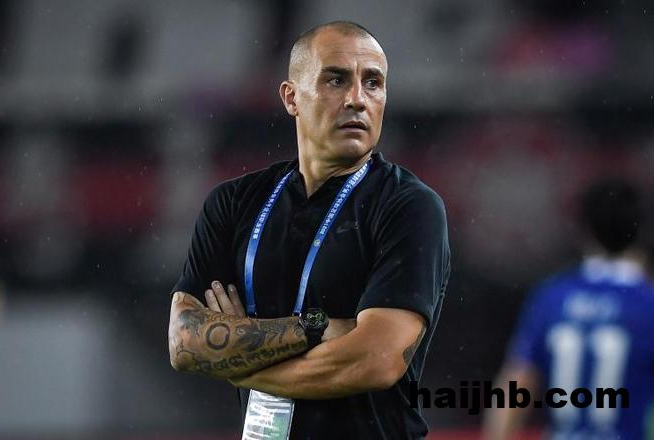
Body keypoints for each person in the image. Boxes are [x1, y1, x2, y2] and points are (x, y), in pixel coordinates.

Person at [168, 21, 451, 439]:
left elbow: (376, 360)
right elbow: (185, 343)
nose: (357, 99)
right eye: (336, 80)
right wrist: (316, 327)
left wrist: (242, 362)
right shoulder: (233, 203)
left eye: (373, 83)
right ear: (291, 97)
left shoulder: (408, 205)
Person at [483, 179, 654, 440]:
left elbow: (517, 383)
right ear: (643, 229)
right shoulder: (647, 303)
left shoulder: (553, 297)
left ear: (584, 230)